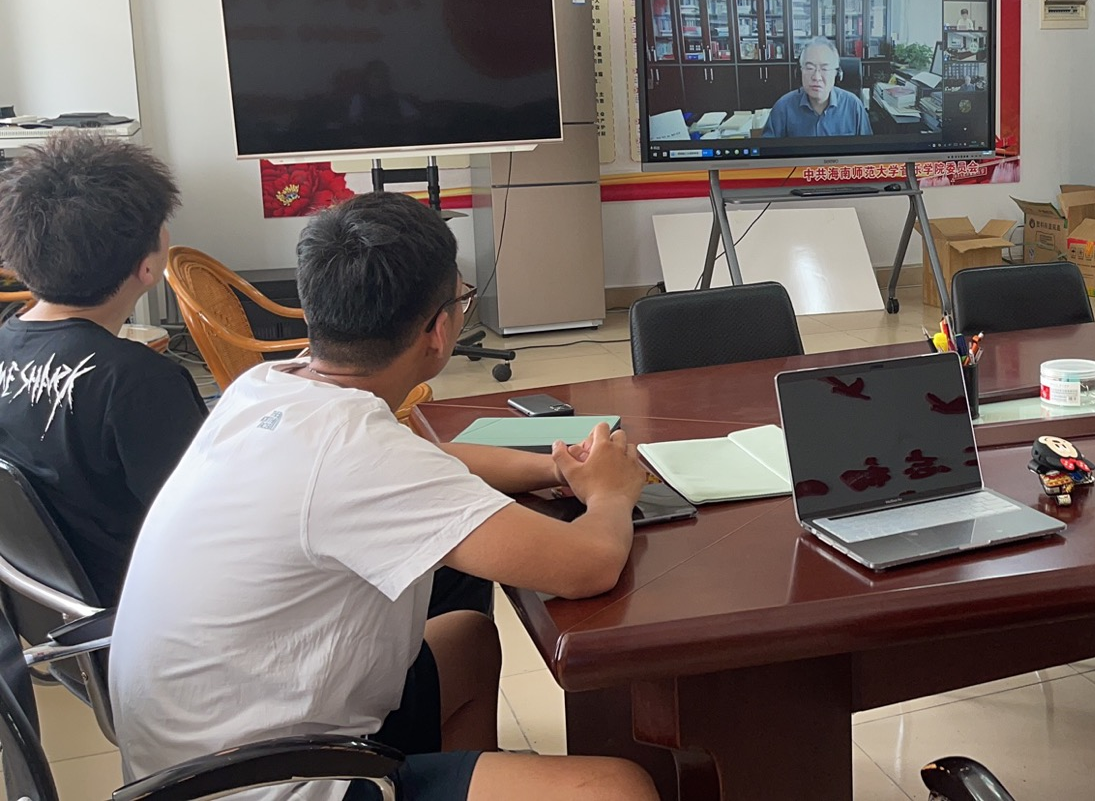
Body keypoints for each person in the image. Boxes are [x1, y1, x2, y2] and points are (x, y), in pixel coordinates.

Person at [111, 192, 658, 801]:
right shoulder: (354, 454)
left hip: (193, 751)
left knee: (468, 642)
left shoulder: (270, 388)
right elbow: (588, 565)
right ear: (439, 330)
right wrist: (609, 493)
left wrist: (550, 471)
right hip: (254, 783)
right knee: (614, 786)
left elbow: (417, 464)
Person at [0, 132, 205, 603]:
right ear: (148, 268)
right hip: (147, 618)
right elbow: (206, 529)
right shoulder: (139, 383)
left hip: (56, 613)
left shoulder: (7, 341)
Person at [763, 38, 872, 138]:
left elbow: (868, 151)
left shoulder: (853, 106)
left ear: (837, 74)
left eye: (824, 69)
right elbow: (766, 154)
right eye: (810, 68)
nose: (816, 77)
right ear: (799, 72)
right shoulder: (783, 107)